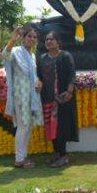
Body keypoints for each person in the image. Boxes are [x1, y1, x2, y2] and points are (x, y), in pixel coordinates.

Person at [2, 25, 43, 168]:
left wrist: (39, 82)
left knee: (28, 126)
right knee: (23, 126)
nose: (32, 39)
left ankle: (23, 157)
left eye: (34, 37)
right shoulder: (16, 51)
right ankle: (19, 159)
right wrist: (12, 40)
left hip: (32, 94)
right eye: (29, 36)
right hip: (20, 94)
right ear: (23, 38)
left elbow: (34, 75)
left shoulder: (32, 55)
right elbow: (5, 56)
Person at [37, 31, 78, 168]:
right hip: (47, 98)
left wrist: (69, 91)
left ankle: (63, 156)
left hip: (62, 98)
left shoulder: (65, 56)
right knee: (51, 127)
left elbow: (72, 74)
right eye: (47, 39)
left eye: (52, 39)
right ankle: (56, 153)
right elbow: (39, 76)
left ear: (58, 42)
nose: (48, 42)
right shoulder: (42, 58)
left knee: (61, 127)